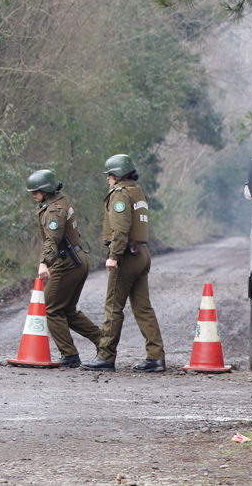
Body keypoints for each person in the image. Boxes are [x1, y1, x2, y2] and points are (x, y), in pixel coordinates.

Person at [83, 154, 166, 372]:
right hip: (142, 253)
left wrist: (114, 256)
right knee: (143, 308)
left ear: (118, 175)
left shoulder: (120, 194)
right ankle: (156, 357)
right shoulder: (138, 192)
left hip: (127, 256)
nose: (108, 178)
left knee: (113, 307)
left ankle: (105, 356)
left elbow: (120, 229)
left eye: (110, 174)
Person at [26, 169, 101, 368]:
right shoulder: (60, 203)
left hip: (67, 262)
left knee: (50, 307)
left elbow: (52, 240)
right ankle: (103, 342)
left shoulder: (53, 210)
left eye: (36, 191)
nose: (33, 195)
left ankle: (69, 354)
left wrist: (44, 262)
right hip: (76, 259)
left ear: (47, 190)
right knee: (66, 310)